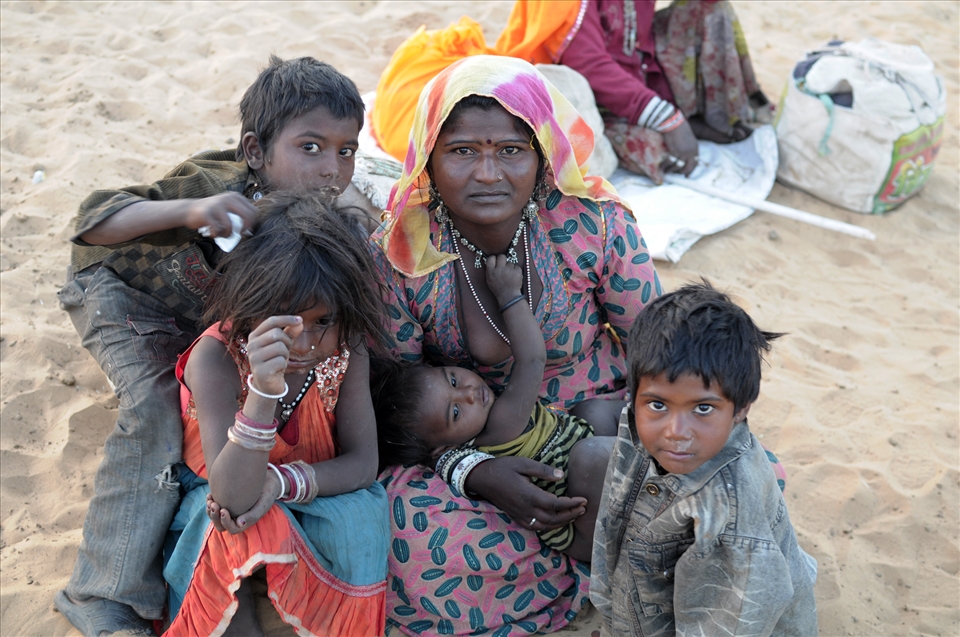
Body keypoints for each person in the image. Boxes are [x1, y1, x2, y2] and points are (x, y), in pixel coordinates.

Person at [54, 55, 365, 637]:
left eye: (346, 151)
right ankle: (102, 591)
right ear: (254, 151)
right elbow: (92, 219)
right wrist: (191, 211)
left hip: (207, 316)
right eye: (312, 148)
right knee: (153, 406)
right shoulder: (218, 186)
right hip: (124, 295)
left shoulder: (328, 211)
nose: (332, 169)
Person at [369, 55, 662, 635]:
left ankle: (572, 558)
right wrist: (474, 472)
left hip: (595, 421)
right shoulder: (404, 253)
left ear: (542, 156)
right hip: (470, 442)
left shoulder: (593, 224)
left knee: (695, 469)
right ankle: (593, 566)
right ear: (429, 157)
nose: (486, 174)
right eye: (461, 151)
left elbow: (656, 348)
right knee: (403, 532)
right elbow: (402, 403)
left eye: (510, 150)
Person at [163, 190, 389, 636]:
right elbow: (230, 497)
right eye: (285, 321)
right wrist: (263, 391)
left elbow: (364, 463)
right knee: (241, 526)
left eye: (323, 321)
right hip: (220, 501)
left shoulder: (347, 350)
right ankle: (242, 602)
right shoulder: (219, 358)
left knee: (363, 517)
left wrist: (282, 482)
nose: (304, 344)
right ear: (250, 305)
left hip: (305, 489)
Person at [590, 281, 818, 636]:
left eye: (703, 408)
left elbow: (734, 621)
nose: (676, 431)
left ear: (741, 407)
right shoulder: (638, 428)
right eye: (658, 404)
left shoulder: (732, 519)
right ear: (634, 395)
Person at [373, 253, 620, 563]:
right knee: (591, 454)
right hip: (578, 529)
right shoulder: (502, 423)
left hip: (578, 472)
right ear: (446, 447)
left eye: (452, 379)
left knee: (593, 413)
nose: (469, 393)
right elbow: (532, 359)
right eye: (456, 413)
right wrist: (509, 296)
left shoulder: (462, 449)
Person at [497, 0, 775, 183]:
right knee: (659, 154)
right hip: (590, 96)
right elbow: (588, 64)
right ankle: (678, 121)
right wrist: (668, 119)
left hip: (640, 67)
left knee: (711, 11)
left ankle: (701, 118)